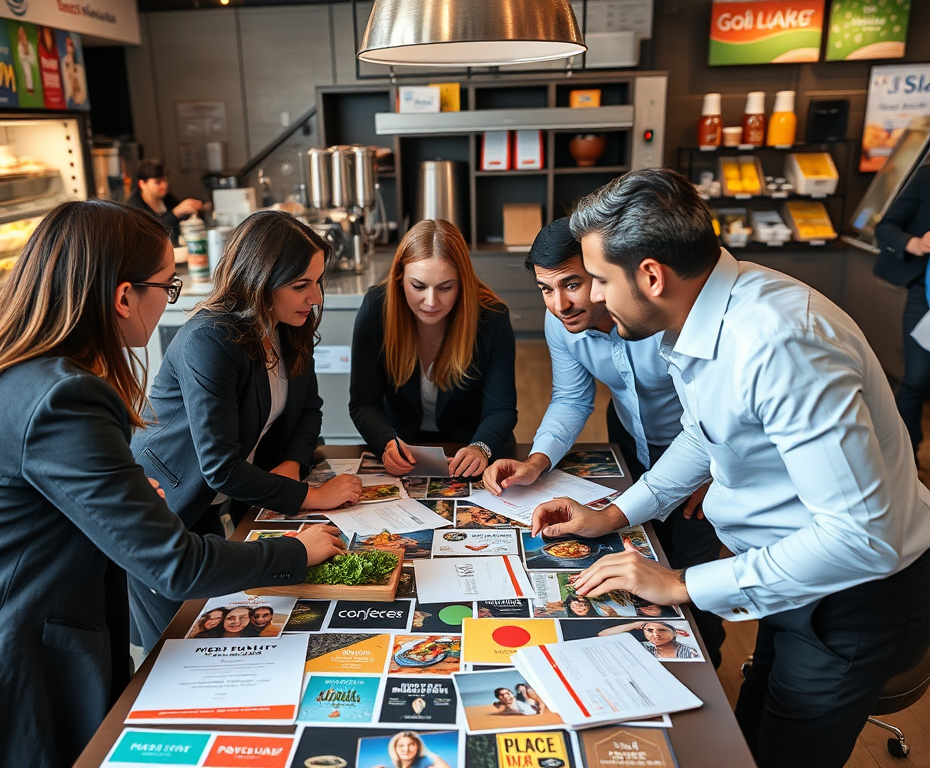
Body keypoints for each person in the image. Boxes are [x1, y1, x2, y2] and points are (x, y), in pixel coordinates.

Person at [0, 200, 346, 768]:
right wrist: (292, 551)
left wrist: (121, 492)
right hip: (2, 659)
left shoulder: (3, 362)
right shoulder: (67, 395)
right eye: (167, 284)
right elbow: (175, 565)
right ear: (122, 296)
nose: (171, 299)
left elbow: (20, 496)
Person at [531, 168, 930, 768]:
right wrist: (613, 513)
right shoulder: (710, 314)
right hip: (785, 575)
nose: (593, 299)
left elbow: (860, 538)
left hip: (850, 597)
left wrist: (682, 584)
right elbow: (705, 434)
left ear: (650, 276)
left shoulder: (780, 341)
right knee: (749, 742)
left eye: (598, 281)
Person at [481, 217, 724, 665]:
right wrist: (536, 461)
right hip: (630, 442)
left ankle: (709, 677)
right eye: (545, 290)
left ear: (598, 270)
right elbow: (573, 399)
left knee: (692, 578)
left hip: (702, 459)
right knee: (637, 557)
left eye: (571, 284)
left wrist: (715, 467)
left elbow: (709, 417)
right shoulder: (561, 323)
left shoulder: (655, 313)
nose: (559, 304)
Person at [128, 210, 361, 650]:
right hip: (173, 499)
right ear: (258, 281)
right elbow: (219, 467)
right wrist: (313, 496)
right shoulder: (209, 338)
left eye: (317, 282)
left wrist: (292, 463)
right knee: (181, 644)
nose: (314, 297)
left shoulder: (289, 325)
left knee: (243, 624)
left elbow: (310, 409)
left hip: (236, 499)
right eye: (301, 285)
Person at [350, 219, 517, 477]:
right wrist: (385, 442)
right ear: (399, 278)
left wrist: (481, 448)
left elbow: (501, 409)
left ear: (462, 283)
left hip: (472, 448)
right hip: (404, 451)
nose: (431, 302)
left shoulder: (492, 318)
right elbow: (363, 402)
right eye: (418, 286)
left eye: (445, 287)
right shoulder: (376, 309)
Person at [874, 163, 930, 455]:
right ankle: (904, 455)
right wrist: (915, 243)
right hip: (926, 295)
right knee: (916, 378)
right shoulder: (926, 176)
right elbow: (885, 227)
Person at [125, 158, 203, 247]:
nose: (164, 185)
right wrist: (175, 213)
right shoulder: (133, 206)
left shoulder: (167, 199)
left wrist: (196, 208)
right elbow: (151, 230)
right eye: (158, 182)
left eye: (165, 180)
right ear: (142, 184)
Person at [599, 621, 700, 660]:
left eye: (662, 630)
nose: (656, 635)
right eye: (650, 630)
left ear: (674, 632)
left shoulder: (689, 651)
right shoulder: (644, 646)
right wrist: (637, 624)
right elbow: (603, 635)